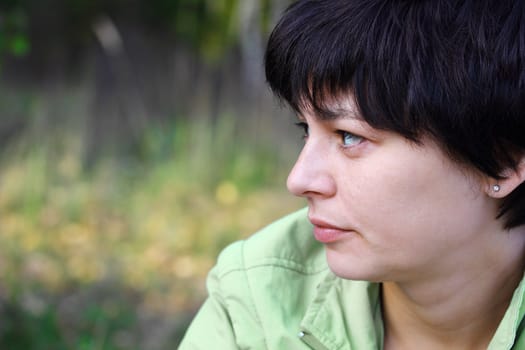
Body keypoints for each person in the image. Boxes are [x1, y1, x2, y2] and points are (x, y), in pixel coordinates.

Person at [179, 0, 525, 348]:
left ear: (503, 160)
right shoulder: (258, 302)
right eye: (305, 128)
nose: (298, 180)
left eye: (349, 136)